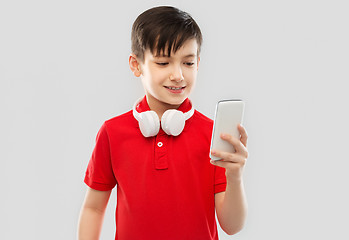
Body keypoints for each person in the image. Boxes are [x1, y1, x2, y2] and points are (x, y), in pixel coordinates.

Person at [77, 6, 249, 240]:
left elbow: (232, 226)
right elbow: (93, 208)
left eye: (187, 63)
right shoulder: (112, 132)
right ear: (136, 65)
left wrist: (235, 175)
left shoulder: (213, 133)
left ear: (198, 63)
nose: (178, 75)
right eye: (163, 63)